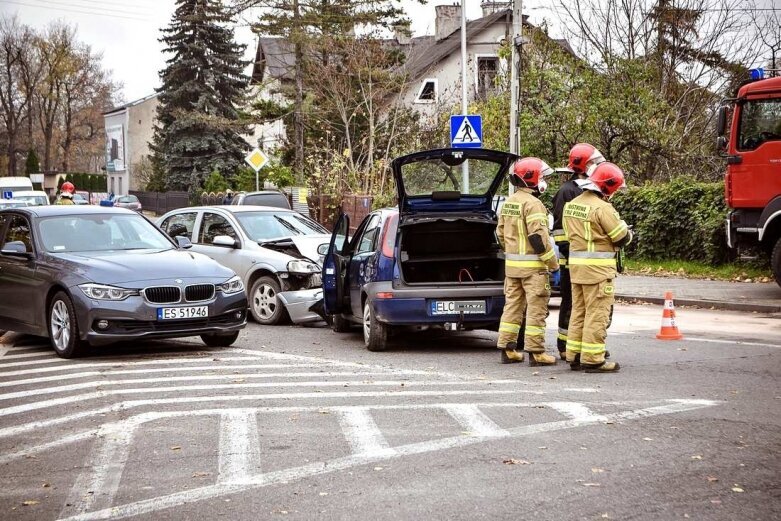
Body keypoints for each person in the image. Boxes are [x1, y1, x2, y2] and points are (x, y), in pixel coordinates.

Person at [563, 162, 632, 372]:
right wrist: (630, 234)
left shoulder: (571, 205)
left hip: (576, 270)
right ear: (608, 186)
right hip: (599, 272)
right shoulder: (603, 208)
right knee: (597, 313)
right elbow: (621, 237)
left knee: (579, 312)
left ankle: (574, 355)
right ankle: (593, 359)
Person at [496, 157, 560, 366]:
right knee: (536, 310)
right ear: (532, 178)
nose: (544, 181)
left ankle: (508, 349)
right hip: (533, 270)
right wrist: (553, 264)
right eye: (542, 176)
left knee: (512, 307)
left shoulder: (509, 202)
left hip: (512, 268)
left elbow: (500, 235)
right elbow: (538, 238)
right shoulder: (534, 204)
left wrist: (513, 253)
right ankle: (536, 352)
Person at [550, 143, 605, 359]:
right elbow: (561, 232)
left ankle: (586, 345)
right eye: (592, 162)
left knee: (589, 307)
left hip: (590, 262)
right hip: (572, 261)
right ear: (582, 165)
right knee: (572, 304)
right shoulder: (567, 191)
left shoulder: (593, 189)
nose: (596, 166)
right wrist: (575, 253)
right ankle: (566, 347)